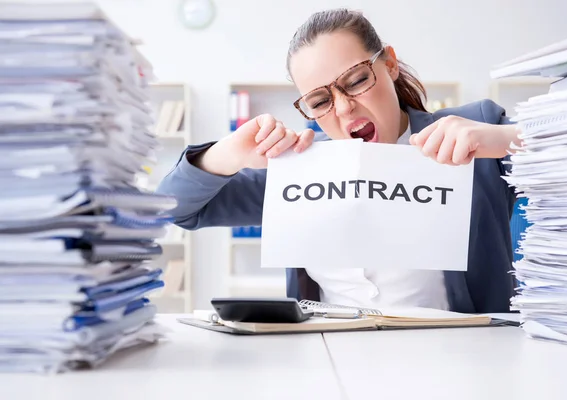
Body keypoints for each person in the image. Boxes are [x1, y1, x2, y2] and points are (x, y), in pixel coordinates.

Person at [156, 8, 520, 314]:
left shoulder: (476, 129)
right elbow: (174, 209)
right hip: (331, 365)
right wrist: (226, 154)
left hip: (465, 365)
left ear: (389, 64)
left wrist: (506, 140)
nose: (345, 107)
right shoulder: (298, 167)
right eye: (318, 101)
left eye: (357, 79)